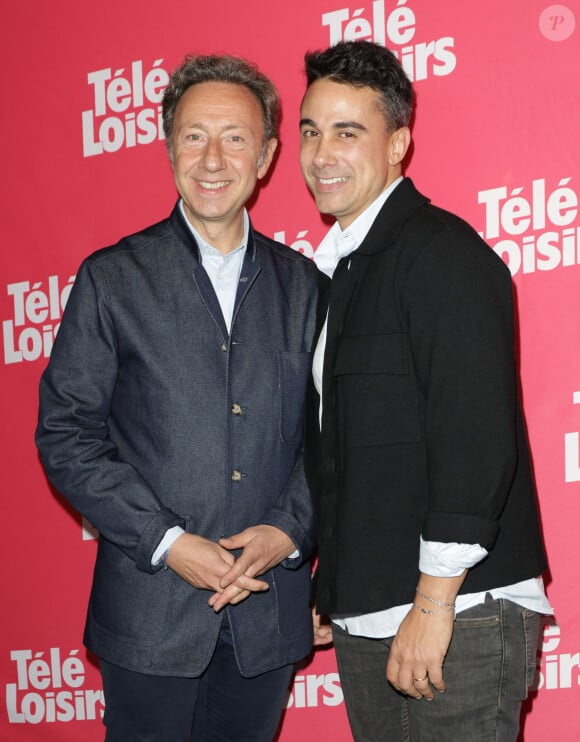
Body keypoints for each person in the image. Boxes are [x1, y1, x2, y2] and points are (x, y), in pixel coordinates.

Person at [36, 53, 324, 742]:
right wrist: (167, 542)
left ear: (267, 154)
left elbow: (333, 438)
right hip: (149, 612)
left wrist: (291, 528)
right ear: (169, 149)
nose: (213, 158)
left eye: (235, 137)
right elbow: (67, 436)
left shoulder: (308, 288)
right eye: (194, 135)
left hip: (266, 613)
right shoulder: (113, 280)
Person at [299, 40, 552, 741]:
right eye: (311, 131)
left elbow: (475, 439)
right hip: (371, 609)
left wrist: (435, 604)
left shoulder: (442, 255)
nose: (323, 154)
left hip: (456, 611)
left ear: (399, 143)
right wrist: (332, 580)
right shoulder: (337, 275)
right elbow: (349, 452)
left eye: (348, 132)